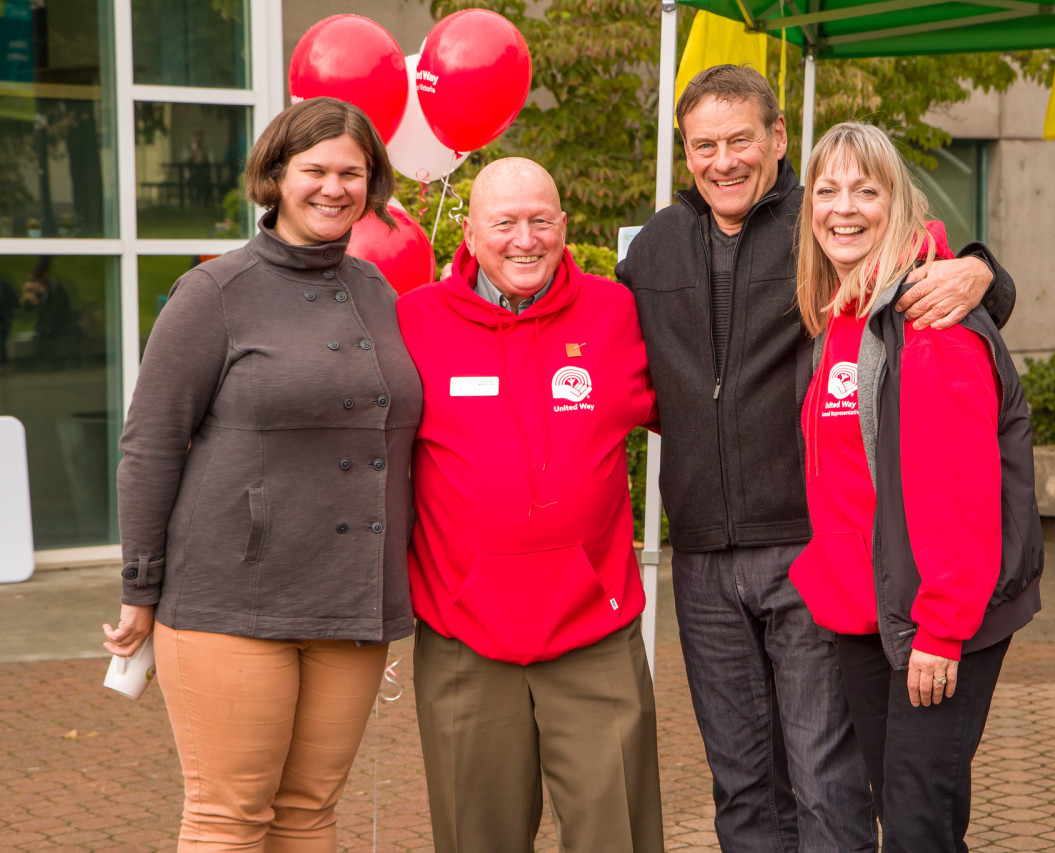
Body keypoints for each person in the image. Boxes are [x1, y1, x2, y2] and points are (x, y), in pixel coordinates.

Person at [615, 64, 1017, 852]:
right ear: (684, 151)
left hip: (811, 551)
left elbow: (916, 265)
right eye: (704, 145)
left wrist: (982, 268)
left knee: (825, 780)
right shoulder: (657, 247)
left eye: (740, 140)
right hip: (702, 560)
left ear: (775, 138)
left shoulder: (822, 220)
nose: (723, 160)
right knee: (740, 785)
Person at [103, 97, 423, 850]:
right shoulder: (214, 293)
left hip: (350, 600)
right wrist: (139, 588)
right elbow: (149, 445)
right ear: (276, 175)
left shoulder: (377, 291)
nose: (333, 187)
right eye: (314, 169)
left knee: (310, 811)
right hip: (231, 600)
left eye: (353, 172)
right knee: (230, 816)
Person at [395, 157, 663, 853]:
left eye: (541, 220)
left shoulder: (616, 311)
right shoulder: (412, 321)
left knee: (619, 839)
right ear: (471, 233)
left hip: (593, 629)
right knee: (474, 838)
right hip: (463, 635)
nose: (525, 238)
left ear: (565, 227)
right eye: (505, 222)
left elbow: (713, 391)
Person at [789, 120, 1043, 852]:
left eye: (865, 190)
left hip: (935, 617)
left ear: (896, 201)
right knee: (913, 817)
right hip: (867, 613)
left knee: (915, 826)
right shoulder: (843, 316)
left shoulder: (928, 320)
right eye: (828, 190)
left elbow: (958, 492)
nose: (844, 207)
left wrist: (941, 626)